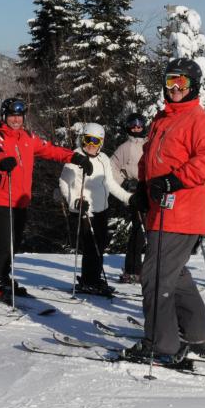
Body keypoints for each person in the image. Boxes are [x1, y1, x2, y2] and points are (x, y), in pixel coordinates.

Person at [124, 58, 205, 364]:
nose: (175, 88)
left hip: (182, 213)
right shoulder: (163, 119)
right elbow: (148, 158)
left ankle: (161, 343)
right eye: (170, 82)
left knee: (155, 277)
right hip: (161, 211)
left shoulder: (199, 121)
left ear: (194, 86)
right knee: (174, 274)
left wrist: (173, 180)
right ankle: (197, 333)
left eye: (182, 82)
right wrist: (143, 187)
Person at [0, 96, 92, 303]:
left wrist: (74, 157)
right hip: (1, 197)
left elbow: (50, 150)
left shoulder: (28, 137)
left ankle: (3, 277)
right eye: (12, 116)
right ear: (4, 116)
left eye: (19, 116)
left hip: (21, 199)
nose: (16, 119)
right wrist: (2, 161)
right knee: (5, 242)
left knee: (14, 242)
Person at [59, 122, 132, 296]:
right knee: (91, 246)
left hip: (102, 209)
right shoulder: (75, 157)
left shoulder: (104, 158)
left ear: (101, 142)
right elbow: (63, 183)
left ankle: (94, 278)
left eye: (96, 141)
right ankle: (88, 280)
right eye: (88, 140)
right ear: (82, 139)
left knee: (100, 244)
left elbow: (110, 183)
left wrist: (128, 198)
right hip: (85, 209)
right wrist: (74, 202)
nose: (91, 145)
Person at [111, 112, 148, 284]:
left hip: (150, 188)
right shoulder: (125, 147)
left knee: (148, 229)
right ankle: (132, 270)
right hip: (135, 190)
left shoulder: (150, 142)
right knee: (138, 229)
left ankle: (139, 268)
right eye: (133, 125)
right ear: (128, 127)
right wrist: (124, 183)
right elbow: (111, 167)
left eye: (139, 125)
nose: (136, 128)